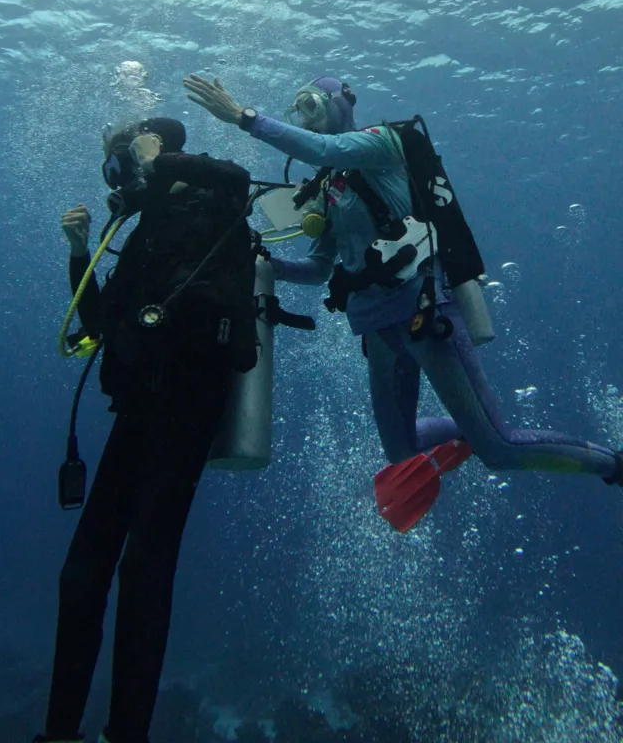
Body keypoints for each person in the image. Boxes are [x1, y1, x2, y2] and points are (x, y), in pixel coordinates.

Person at [183, 73, 623, 505]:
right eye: (298, 109)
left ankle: (614, 465)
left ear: (342, 104)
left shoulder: (381, 142)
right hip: (377, 330)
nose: (305, 116)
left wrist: (244, 116)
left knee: (500, 450)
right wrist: (259, 264)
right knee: (400, 452)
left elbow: (323, 147)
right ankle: (468, 429)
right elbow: (318, 268)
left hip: (423, 311)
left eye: (313, 104)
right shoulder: (328, 188)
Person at [34, 116, 259, 743]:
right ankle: (58, 735)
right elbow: (98, 324)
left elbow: (240, 181)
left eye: (121, 164)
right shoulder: (142, 233)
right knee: (82, 574)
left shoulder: (212, 197)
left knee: (144, 572)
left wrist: (156, 159)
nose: (118, 180)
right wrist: (80, 253)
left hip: (190, 403)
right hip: (137, 410)